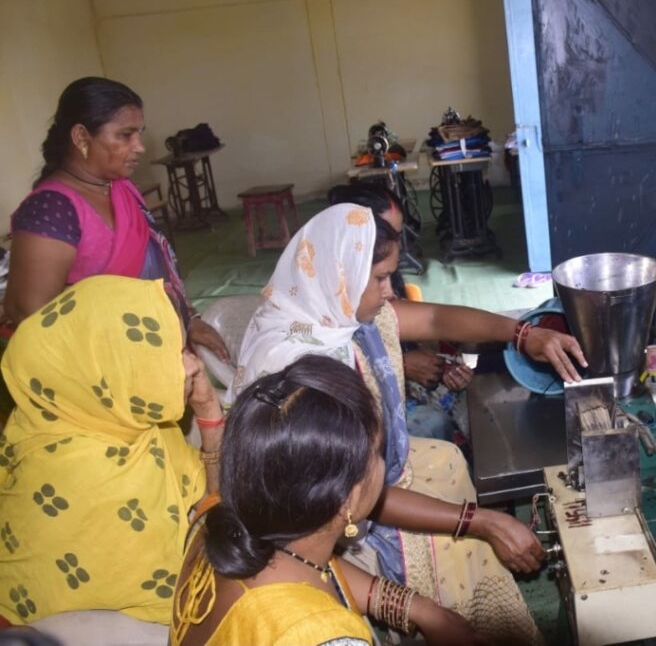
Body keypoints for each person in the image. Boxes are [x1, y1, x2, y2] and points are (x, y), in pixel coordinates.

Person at [230, 202, 587, 644]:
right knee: (468, 533)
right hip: (346, 504)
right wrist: (479, 521)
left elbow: (435, 318)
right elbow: (351, 492)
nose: (389, 292)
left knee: (450, 461)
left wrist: (524, 334)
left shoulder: (339, 312)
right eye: (380, 278)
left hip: (368, 476)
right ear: (341, 271)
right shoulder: (297, 368)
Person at [171, 355, 484, 645]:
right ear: (345, 503)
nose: (381, 465)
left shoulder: (218, 526)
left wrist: (419, 609)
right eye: (376, 454)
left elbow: (308, 565)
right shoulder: (325, 636)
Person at [0, 275, 225, 625]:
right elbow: (219, 539)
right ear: (111, 373)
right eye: (174, 354)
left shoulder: (112, 420)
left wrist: (210, 410)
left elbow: (214, 500)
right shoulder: (96, 482)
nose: (193, 366)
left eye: (185, 350)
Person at [5, 76, 228, 361]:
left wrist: (189, 318)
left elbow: (156, 272)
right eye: (125, 135)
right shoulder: (52, 209)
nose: (140, 147)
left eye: (139, 133)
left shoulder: (120, 188)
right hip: (105, 371)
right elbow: (29, 313)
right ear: (81, 138)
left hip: (157, 352)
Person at [328, 182, 474, 441]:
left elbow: (424, 326)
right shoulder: (330, 298)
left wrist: (441, 368)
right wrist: (402, 366)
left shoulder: (384, 274)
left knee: (470, 401)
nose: (395, 243)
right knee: (432, 424)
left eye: (397, 233)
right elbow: (342, 381)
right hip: (361, 413)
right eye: (386, 233)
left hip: (402, 380)